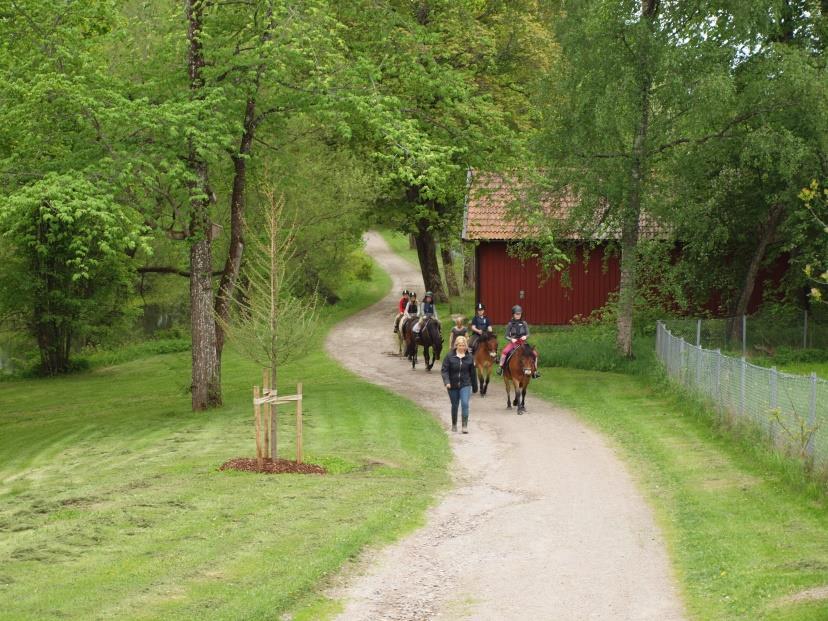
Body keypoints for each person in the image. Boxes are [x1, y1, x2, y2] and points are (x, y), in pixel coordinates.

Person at [440, 336, 478, 433]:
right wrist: (447, 382)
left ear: (466, 346)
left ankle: (464, 426)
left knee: (465, 403)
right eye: (460, 345)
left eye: (463, 345)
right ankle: (454, 424)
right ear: (456, 345)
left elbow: (473, 373)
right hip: (452, 385)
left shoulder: (469, 357)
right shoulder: (449, 356)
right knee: (455, 404)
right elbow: (444, 371)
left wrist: (475, 387)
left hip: (465, 384)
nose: (462, 347)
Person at [497, 305, 540, 378]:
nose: (518, 315)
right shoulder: (510, 324)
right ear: (513, 314)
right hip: (513, 343)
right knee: (505, 351)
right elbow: (506, 335)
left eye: (519, 314)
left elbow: (528, 333)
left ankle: (535, 371)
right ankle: (501, 367)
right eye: (516, 314)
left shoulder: (524, 323)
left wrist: (525, 336)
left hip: (523, 343)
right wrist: (511, 339)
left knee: (534, 353)